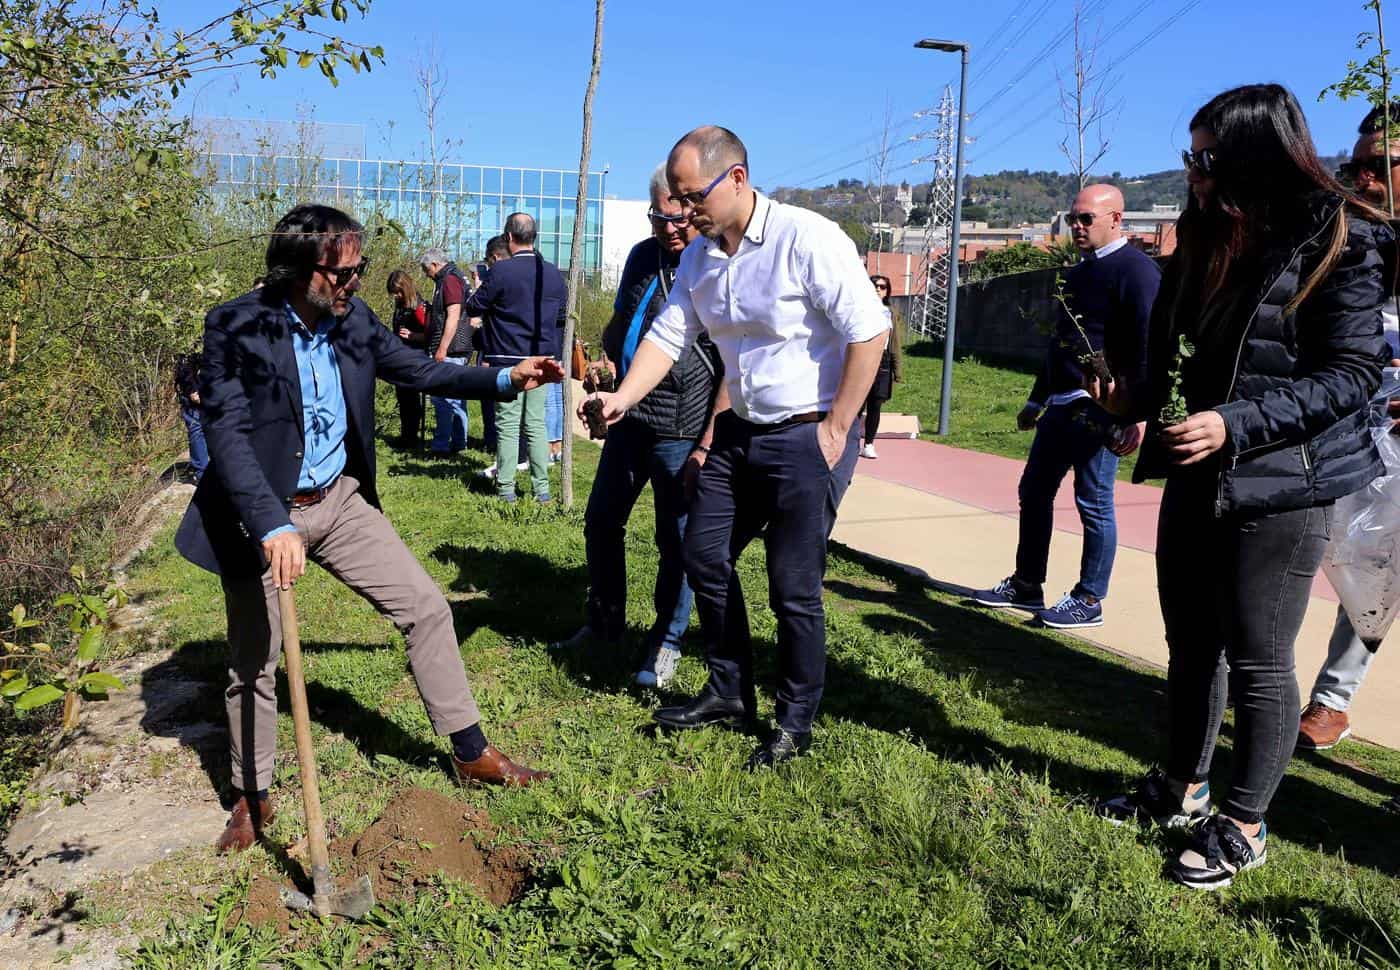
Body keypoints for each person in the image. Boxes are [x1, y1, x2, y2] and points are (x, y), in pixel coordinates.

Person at [174, 205, 562, 853]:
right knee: (253, 663)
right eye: (345, 273)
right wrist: (270, 524)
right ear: (302, 270)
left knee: (427, 607)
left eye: (360, 270)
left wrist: (502, 377)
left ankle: (470, 753)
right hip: (261, 514)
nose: (356, 283)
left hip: (339, 500)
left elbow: (419, 370)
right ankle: (252, 795)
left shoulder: (351, 318)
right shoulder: (237, 325)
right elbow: (228, 436)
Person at [1090, 85, 1388, 890]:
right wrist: (1133, 399)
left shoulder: (1339, 237)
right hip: (1197, 471)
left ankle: (1245, 824)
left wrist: (1236, 424)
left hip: (1288, 482)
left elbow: (1356, 373)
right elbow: (1175, 356)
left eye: (1206, 158)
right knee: (1191, 647)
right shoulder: (1202, 233)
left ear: (1256, 155)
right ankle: (1182, 787)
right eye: (1190, 157)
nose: (1192, 172)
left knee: (1259, 659)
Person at [588, 126, 890, 769]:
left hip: (806, 433)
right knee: (702, 553)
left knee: (792, 586)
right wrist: (622, 400)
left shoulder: (805, 238)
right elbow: (668, 339)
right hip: (738, 433)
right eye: (675, 197)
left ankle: (795, 719)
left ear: (737, 179)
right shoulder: (699, 258)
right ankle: (728, 690)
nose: (681, 210)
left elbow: (871, 333)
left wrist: (836, 429)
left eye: (692, 196)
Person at [553, 163, 724, 688]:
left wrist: (707, 441)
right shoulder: (641, 258)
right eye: (659, 216)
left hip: (683, 426)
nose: (670, 228)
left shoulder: (718, 264)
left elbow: (731, 364)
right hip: (630, 419)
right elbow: (624, 326)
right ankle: (604, 622)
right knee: (602, 521)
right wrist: (607, 370)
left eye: (680, 218)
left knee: (675, 541)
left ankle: (666, 641)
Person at [971, 184, 1159, 630]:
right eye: (1072, 218)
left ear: (1117, 218)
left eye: (1085, 219)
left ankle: (1089, 598)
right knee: (1033, 491)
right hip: (1060, 403)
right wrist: (1037, 398)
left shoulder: (1138, 271)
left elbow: (1152, 345)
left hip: (1104, 407)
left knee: (1093, 502)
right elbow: (1062, 342)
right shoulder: (1076, 273)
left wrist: (1138, 415)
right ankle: (1026, 583)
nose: (1075, 226)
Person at [1298, 100, 1400, 750]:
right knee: (1355, 561)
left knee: (1381, 569)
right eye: (1354, 166)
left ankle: (1332, 698)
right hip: (1354, 432)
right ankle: (1318, 700)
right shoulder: (1350, 241)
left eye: (1379, 166)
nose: (1361, 179)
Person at [464, 213, 568, 503]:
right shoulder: (552, 273)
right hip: (541, 359)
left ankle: (506, 489)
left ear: (509, 237)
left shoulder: (501, 271)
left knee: (508, 425)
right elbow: (561, 316)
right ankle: (542, 490)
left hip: (505, 359)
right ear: (534, 236)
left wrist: (478, 284)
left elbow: (474, 306)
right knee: (536, 424)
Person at [420, 247, 474, 455]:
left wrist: (441, 348)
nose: (426, 275)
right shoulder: (447, 279)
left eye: (427, 270)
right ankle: (456, 443)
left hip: (451, 349)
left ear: (434, 265)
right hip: (451, 348)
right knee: (451, 399)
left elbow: (453, 316)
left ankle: (444, 445)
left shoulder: (450, 280)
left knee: (446, 400)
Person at [860, 275, 903, 459]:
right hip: (862, 358)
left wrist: (897, 370)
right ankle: (850, 441)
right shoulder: (859, 309)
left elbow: (895, 343)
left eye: (882, 287)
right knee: (856, 403)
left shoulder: (890, 312)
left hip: (883, 361)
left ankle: (869, 444)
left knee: (875, 405)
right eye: (874, 286)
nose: (878, 289)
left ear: (887, 291)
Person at [386, 269, 428, 449]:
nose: (396, 295)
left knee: (411, 399)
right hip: (401, 355)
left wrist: (413, 336)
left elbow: (431, 334)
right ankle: (406, 435)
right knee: (403, 398)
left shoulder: (418, 306)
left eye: (398, 291)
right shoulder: (400, 304)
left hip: (414, 355)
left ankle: (411, 437)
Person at [174, 339, 208, 484]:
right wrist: (191, 389)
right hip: (194, 392)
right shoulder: (189, 337)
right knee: (196, 428)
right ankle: (202, 475)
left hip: (214, 389)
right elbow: (184, 363)